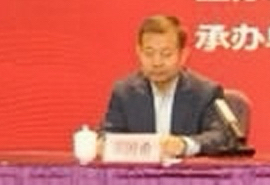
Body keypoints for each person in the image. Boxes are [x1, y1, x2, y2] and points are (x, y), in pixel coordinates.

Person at [101, 14, 240, 157]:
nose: (157, 62)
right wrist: (104, 144)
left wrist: (185, 145)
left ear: (183, 55)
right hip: (139, 171)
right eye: (149, 53)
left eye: (166, 54)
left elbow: (220, 136)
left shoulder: (205, 92)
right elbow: (107, 135)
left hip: (188, 171)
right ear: (139, 52)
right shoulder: (124, 92)